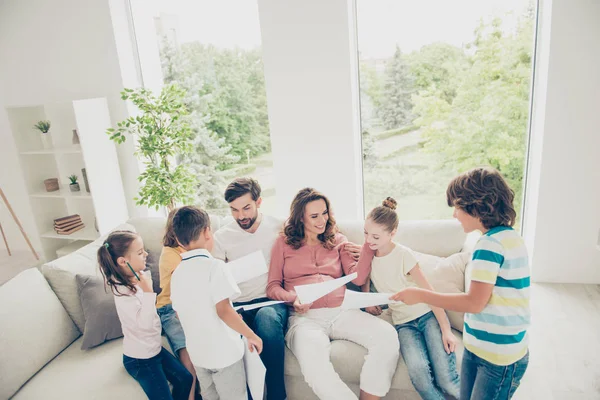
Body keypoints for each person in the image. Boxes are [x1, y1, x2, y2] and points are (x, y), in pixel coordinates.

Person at [391, 167, 530, 400]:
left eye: (457, 207)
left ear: (477, 206)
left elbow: (474, 303)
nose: (454, 214)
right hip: (482, 348)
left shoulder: (490, 246)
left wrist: (422, 295)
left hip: (497, 358)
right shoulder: (509, 237)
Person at [267, 187, 399, 400]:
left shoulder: (337, 240)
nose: (322, 220)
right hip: (304, 319)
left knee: (387, 337)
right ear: (300, 217)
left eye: (325, 213)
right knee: (315, 366)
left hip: (341, 311)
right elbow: (272, 287)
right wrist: (294, 298)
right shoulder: (283, 243)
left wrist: (367, 249)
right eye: (314, 216)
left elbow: (357, 278)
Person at [361, 197, 460, 400]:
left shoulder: (403, 255)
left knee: (446, 379)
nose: (369, 241)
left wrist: (446, 330)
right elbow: (364, 281)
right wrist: (368, 300)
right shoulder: (368, 256)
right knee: (420, 378)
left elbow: (429, 292)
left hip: (426, 316)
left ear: (392, 233)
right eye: (366, 234)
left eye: (376, 237)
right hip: (403, 325)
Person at [170, 206, 263, 400]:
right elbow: (224, 310)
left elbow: (180, 313)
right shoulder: (215, 266)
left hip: (198, 355)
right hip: (224, 355)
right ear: (207, 232)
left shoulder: (177, 273)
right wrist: (251, 335)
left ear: (178, 240)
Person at [211, 178, 288, 400]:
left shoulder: (278, 227)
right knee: (236, 332)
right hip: (239, 305)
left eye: (246, 208)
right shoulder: (222, 237)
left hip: (271, 302)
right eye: (234, 210)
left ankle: (276, 396)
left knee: (265, 317)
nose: (241, 216)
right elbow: (215, 280)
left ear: (259, 202)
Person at [98, 230, 193, 400]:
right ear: (122, 261)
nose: (146, 254)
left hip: (154, 350)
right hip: (140, 360)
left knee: (185, 379)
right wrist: (149, 292)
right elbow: (145, 324)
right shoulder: (122, 293)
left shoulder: (137, 277)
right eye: (140, 252)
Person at [156, 208, 198, 400]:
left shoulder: (193, 247)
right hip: (170, 307)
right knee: (186, 351)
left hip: (192, 305)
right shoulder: (169, 254)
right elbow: (187, 283)